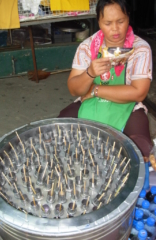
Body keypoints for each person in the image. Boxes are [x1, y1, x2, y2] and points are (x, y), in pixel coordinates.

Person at [58, 0, 153, 165]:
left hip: (128, 105)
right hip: (91, 102)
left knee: (140, 147)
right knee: (60, 129)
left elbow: (138, 92)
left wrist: (95, 90)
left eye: (120, 21)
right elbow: (74, 89)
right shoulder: (87, 47)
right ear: (99, 22)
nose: (115, 29)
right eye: (108, 23)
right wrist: (90, 73)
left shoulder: (140, 49)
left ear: (128, 18)